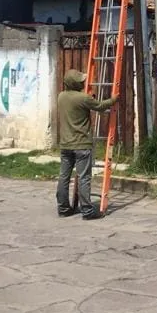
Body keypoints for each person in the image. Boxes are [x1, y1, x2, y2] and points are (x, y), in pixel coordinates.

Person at [56, 68, 119, 221]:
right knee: (84, 178)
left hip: (65, 145)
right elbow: (101, 106)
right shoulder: (83, 98)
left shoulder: (61, 96)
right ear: (75, 84)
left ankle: (63, 208)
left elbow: (83, 104)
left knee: (64, 177)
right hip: (82, 144)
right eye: (81, 82)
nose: (83, 83)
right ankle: (87, 210)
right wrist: (114, 99)